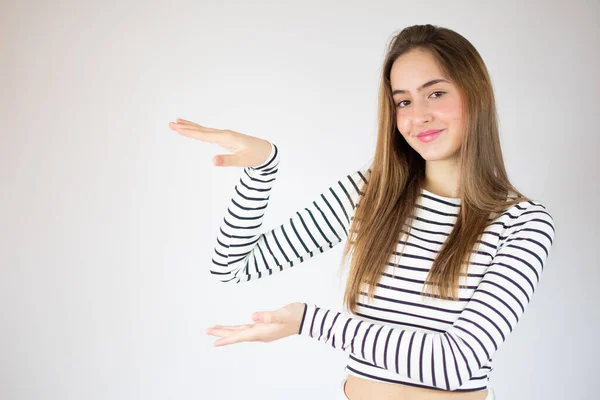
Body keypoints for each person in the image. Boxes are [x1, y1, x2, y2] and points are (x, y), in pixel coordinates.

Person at [169, 24, 555, 400]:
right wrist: (262, 169)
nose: (417, 116)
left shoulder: (523, 224)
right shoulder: (374, 193)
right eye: (403, 101)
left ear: (476, 96)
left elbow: (455, 362)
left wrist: (309, 321)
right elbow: (234, 266)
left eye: (435, 94)